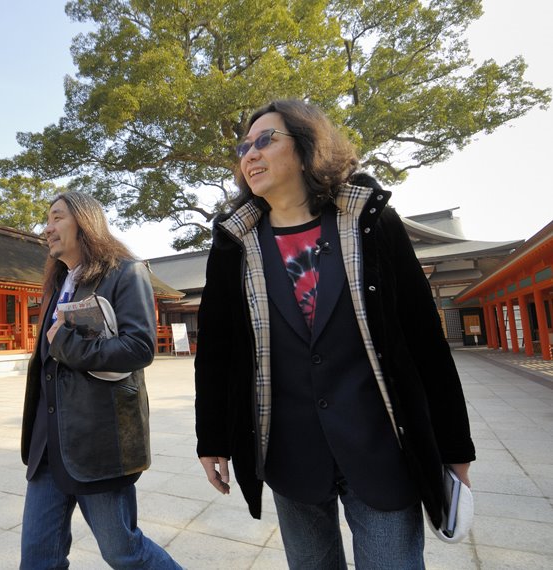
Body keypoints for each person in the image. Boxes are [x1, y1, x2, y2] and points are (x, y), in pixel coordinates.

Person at [194, 100, 476, 569]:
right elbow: (217, 351)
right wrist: (212, 439)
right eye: (244, 147)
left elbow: (425, 340)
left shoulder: (370, 223)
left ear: (306, 148)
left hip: (382, 445)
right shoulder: (233, 244)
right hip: (288, 449)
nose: (250, 154)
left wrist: (454, 448)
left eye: (266, 140)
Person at [20, 192, 181, 569]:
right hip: (49, 443)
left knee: (123, 552)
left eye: (57, 218)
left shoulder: (125, 272)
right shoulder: (60, 282)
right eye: (47, 220)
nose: (47, 229)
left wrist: (65, 343)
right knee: (38, 558)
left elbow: (140, 347)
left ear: (85, 221)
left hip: (99, 441)